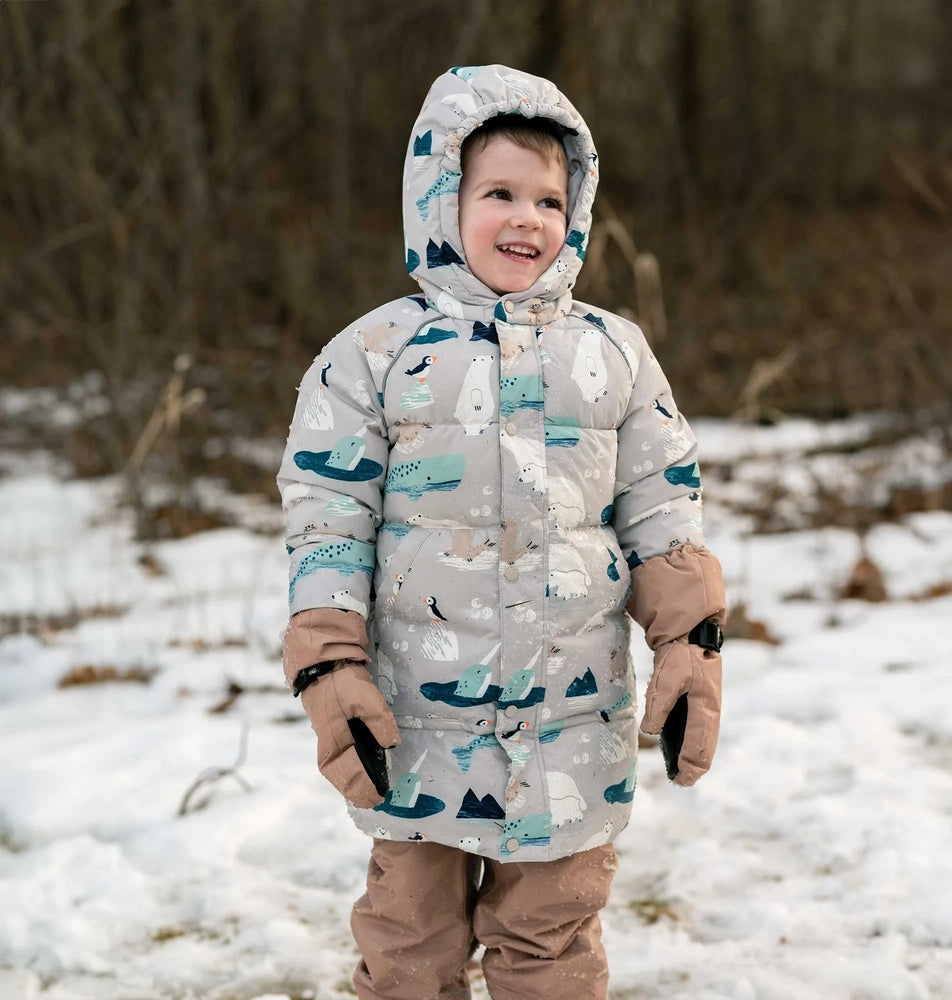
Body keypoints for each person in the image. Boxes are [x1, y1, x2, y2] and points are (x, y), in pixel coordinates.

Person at [277, 64, 726, 1000]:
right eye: (499, 194)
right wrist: (330, 667)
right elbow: (327, 525)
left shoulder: (614, 354)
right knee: (411, 948)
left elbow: (663, 509)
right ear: (440, 199)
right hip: (416, 730)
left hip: (573, 733)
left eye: (549, 199)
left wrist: (690, 643)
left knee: (552, 950)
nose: (528, 218)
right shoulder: (370, 356)